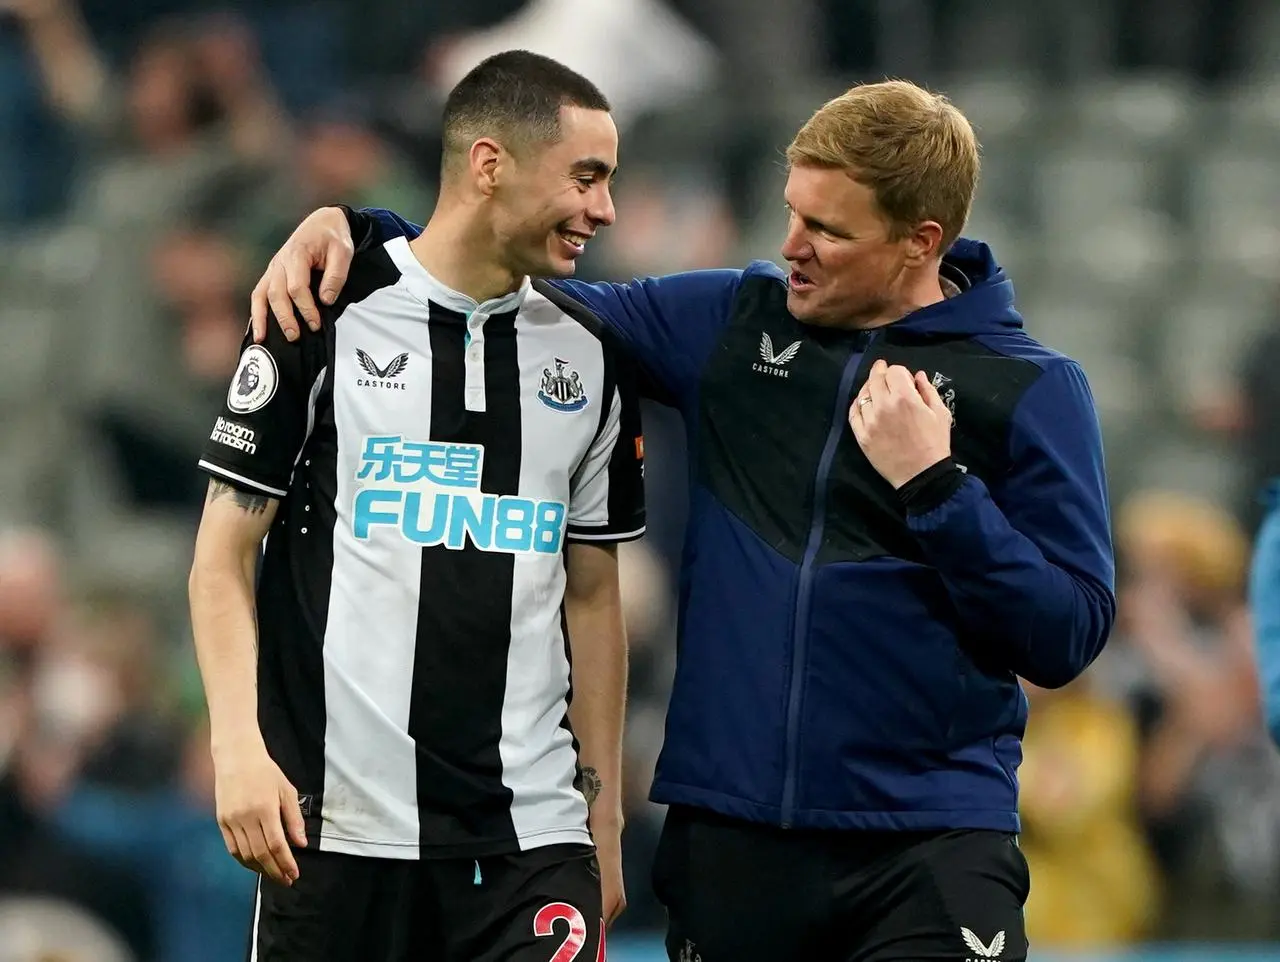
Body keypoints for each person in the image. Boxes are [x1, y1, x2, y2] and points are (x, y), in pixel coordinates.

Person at [251, 77, 1116, 962]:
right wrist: (365, 234)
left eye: (828, 230)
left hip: (928, 844)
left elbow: (1069, 633)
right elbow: (519, 279)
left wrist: (938, 489)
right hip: (731, 842)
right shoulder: (736, 322)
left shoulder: (1034, 390)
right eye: (792, 214)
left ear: (919, 242)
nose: (792, 249)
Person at [188, 51, 644, 962]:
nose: (606, 210)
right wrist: (237, 748)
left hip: (529, 839)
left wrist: (604, 818)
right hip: (335, 831)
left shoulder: (592, 353)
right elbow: (221, 558)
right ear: (489, 165)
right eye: (586, 178)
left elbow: (593, 596)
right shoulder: (318, 306)